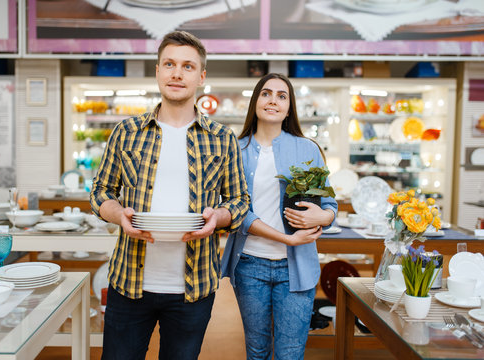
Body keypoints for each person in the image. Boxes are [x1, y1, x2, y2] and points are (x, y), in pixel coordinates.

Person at [90, 31, 249, 360]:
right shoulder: (127, 131)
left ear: (201, 77)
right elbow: (100, 191)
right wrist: (119, 214)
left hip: (194, 289)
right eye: (170, 64)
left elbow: (239, 201)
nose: (177, 73)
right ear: (158, 71)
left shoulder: (222, 138)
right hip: (129, 283)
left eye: (188, 66)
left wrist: (217, 218)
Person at [220, 73, 338, 360]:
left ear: (289, 107)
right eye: (266, 93)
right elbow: (237, 212)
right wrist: (287, 237)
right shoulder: (236, 149)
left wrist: (320, 217)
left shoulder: (307, 148)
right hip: (249, 266)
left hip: (295, 269)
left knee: (290, 354)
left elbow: (330, 205)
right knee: (257, 351)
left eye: (281, 96)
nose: (273, 100)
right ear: (256, 101)